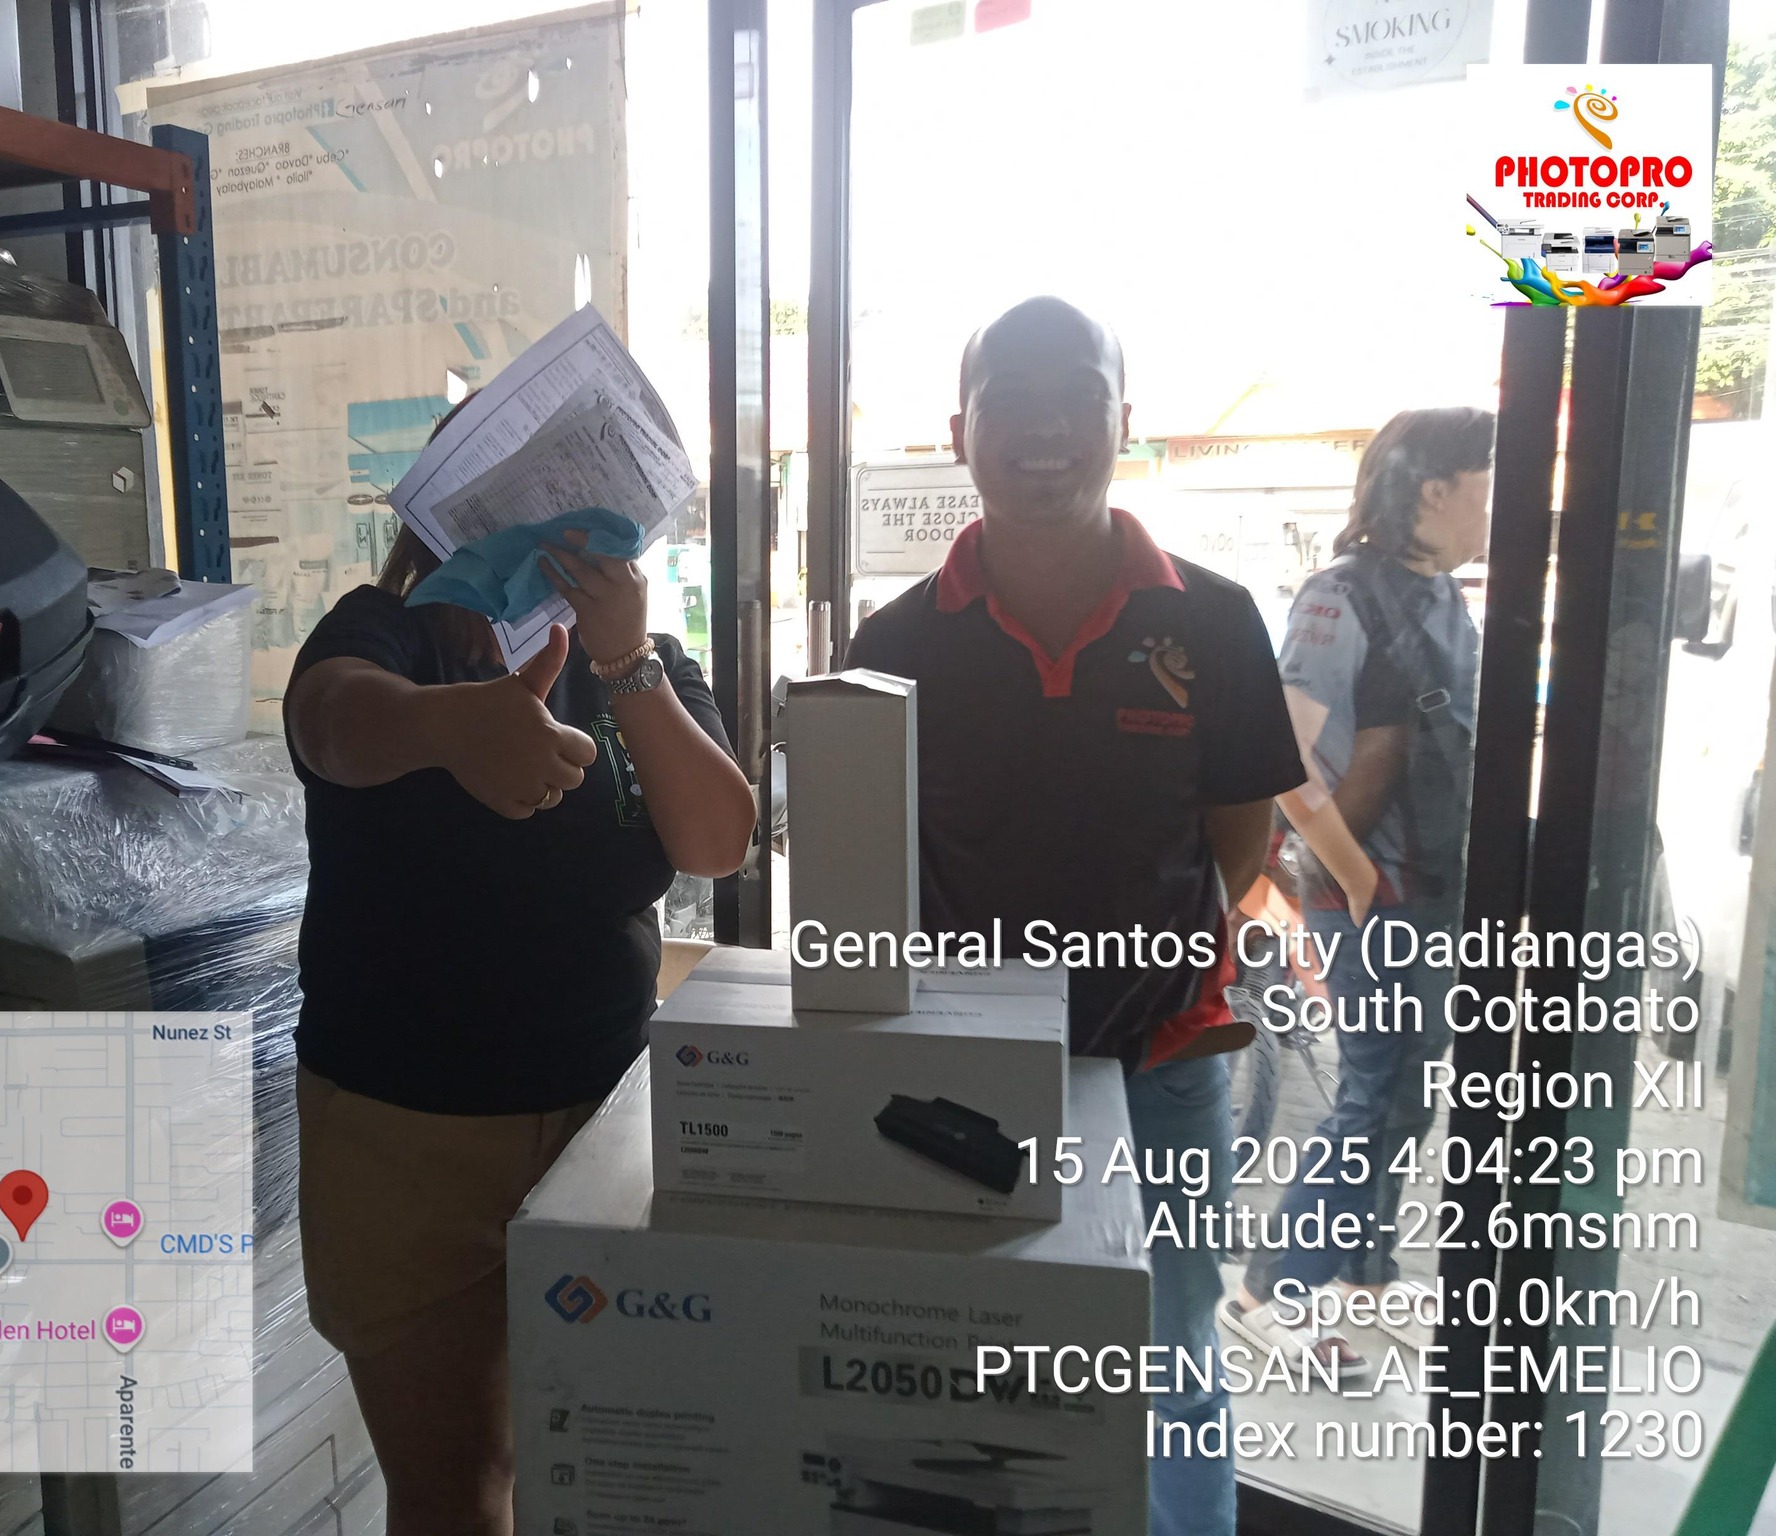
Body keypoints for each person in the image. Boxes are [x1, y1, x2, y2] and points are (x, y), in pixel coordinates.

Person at [844, 297, 1307, 1536]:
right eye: (1010, 399)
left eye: (1076, 397)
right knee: (972, 1358)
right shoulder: (894, 642)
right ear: (959, 430)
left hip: (1158, 1068)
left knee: (1169, 1364)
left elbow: (1236, 842)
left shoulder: (1211, 620)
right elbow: (874, 866)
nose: (1043, 427)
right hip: (961, 1082)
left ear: (1123, 421)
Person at [282, 406, 757, 1535]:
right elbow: (329, 724)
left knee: (613, 1471)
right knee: (458, 1483)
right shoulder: (389, 632)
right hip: (406, 1136)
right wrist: (447, 727)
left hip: (604, 1126)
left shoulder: (646, 666)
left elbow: (715, 841)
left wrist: (624, 661)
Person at [1224, 406, 1491, 1378]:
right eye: (1487, 483)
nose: (1496, 507)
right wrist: (1355, 873)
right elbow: (1281, 755)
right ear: (1435, 489)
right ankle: (1269, 1293)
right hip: (1373, 897)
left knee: (1403, 1097)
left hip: (1431, 889)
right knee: (1375, 1094)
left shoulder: (1442, 596)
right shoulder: (1337, 599)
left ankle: (1359, 1289)